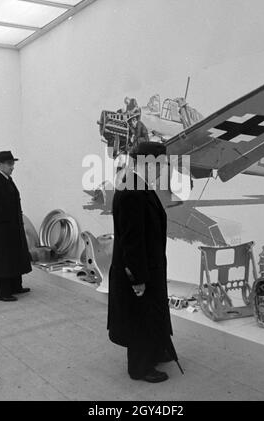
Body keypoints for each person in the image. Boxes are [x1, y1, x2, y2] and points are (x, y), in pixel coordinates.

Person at [107, 142, 177, 383]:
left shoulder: (138, 185)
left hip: (149, 266)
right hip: (138, 269)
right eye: (162, 163)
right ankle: (139, 368)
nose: (164, 168)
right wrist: (137, 278)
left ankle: (155, 352)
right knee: (140, 318)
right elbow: (132, 240)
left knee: (150, 314)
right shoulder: (131, 191)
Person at [0, 151, 32, 302]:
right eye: (10, 164)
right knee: (3, 260)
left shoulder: (7, 180)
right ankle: (2, 293)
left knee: (14, 257)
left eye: (13, 164)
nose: (13, 167)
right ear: (1, 164)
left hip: (13, 229)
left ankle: (15, 286)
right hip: (1, 231)